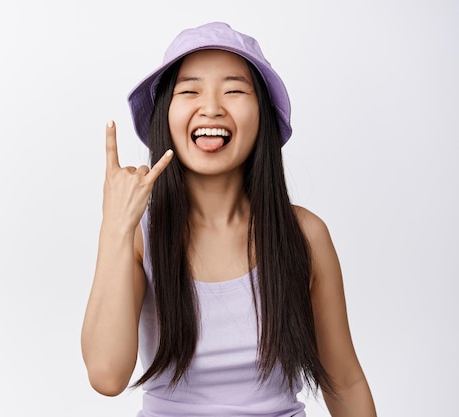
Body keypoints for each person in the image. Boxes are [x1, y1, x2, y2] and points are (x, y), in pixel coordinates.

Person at [81, 21, 376, 417]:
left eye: (234, 90)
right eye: (189, 90)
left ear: (263, 116)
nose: (212, 106)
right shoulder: (138, 236)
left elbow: (345, 381)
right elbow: (106, 376)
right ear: (165, 114)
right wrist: (116, 225)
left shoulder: (305, 235)